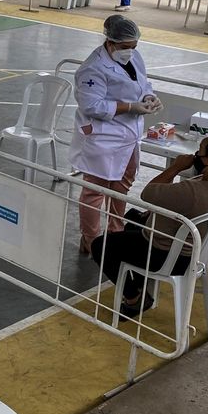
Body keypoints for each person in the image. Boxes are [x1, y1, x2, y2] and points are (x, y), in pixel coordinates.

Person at [91, 130, 208, 317]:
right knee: (134, 219)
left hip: (167, 256)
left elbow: (149, 193)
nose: (195, 156)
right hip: (192, 253)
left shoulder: (193, 190)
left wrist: (176, 167)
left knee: (100, 246)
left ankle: (135, 299)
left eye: (199, 151)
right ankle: (139, 281)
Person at [69, 15, 162, 254]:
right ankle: (91, 241)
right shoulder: (93, 68)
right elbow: (92, 106)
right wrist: (129, 107)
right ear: (110, 42)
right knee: (94, 191)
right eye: (124, 47)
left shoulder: (134, 57)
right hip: (104, 138)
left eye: (134, 47)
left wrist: (148, 98)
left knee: (122, 184)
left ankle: (116, 231)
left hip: (129, 135)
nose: (130, 51)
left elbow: (142, 83)